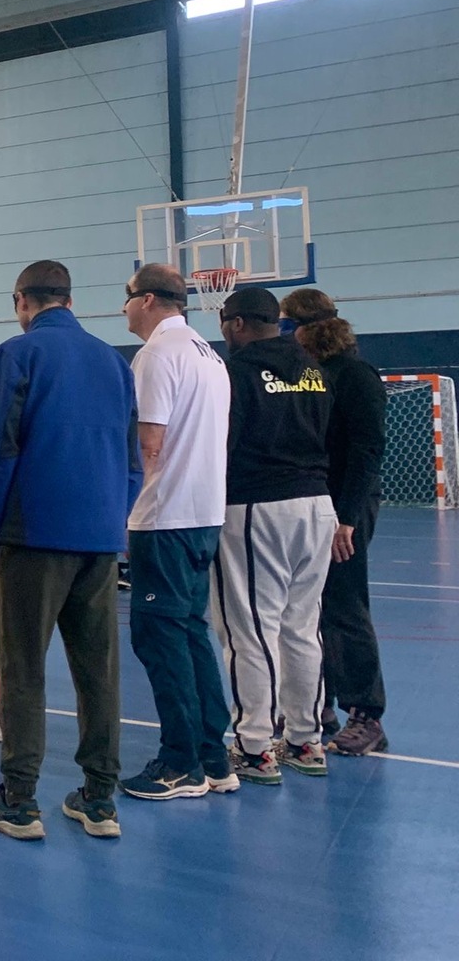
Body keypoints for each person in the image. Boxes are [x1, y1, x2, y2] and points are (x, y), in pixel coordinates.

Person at [0, 260, 141, 842]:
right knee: (98, 671)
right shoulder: (114, 362)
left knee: (22, 669)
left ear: (22, 301)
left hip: (33, 535)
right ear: (70, 300)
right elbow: (133, 461)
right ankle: (100, 799)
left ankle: (19, 801)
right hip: (100, 538)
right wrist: (112, 521)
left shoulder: (16, 356)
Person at [116, 266, 238, 800]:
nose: (123, 309)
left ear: (146, 300)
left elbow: (149, 444)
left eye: (126, 299)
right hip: (204, 512)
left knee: (161, 638)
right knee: (191, 633)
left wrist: (123, 512)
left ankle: (180, 764)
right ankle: (213, 757)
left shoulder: (157, 355)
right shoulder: (209, 355)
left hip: (165, 516)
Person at [213, 286, 335, 783]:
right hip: (317, 505)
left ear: (238, 323)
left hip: (257, 505)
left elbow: (224, 443)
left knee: (250, 629)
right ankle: (305, 740)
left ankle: (254, 746)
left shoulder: (236, 372)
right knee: (302, 627)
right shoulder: (312, 369)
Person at [279, 290, 388, 756]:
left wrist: (347, 518)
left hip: (346, 506)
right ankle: (316, 704)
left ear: (310, 327)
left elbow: (367, 449)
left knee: (344, 605)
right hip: (312, 501)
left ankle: (366, 714)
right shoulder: (308, 374)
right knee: (306, 607)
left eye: (287, 324)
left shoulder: (354, 374)